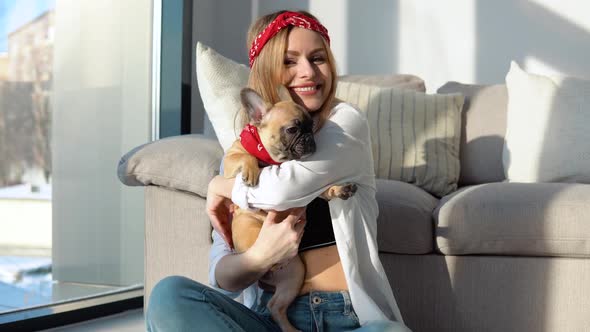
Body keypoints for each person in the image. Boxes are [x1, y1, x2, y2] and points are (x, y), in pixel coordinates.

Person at [146, 10, 412, 332]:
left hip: (344, 320)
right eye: (289, 62)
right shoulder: (243, 154)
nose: (307, 71)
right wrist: (259, 258)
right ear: (267, 71)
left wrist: (221, 186)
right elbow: (222, 275)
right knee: (169, 295)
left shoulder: (344, 124)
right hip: (269, 319)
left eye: (318, 58)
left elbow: (282, 189)